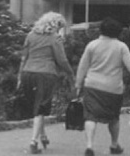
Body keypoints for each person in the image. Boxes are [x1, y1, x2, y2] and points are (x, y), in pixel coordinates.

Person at [75, 17, 130, 156]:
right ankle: (114, 144)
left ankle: (89, 146)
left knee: (90, 117)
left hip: (92, 85)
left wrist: (78, 84)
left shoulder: (92, 45)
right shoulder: (121, 46)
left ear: (102, 30)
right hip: (113, 88)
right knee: (114, 118)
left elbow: (83, 66)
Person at [18, 12, 75, 154]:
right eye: (60, 27)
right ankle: (33, 141)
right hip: (45, 74)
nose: (60, 30)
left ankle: (43, 136)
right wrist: (70, 73)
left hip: (27, 73)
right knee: (41, 108)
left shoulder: (30, 35)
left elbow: (23, 58)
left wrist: (19, 77)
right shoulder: (55, 39)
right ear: (55, 25)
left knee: (37, 107)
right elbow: (62, 60)